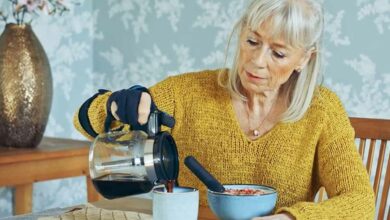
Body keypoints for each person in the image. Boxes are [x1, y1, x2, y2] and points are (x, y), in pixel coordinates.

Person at [74, 0, 375, 219]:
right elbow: (83, 119)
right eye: (252, 41)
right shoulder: (187, 92)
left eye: (278, 52)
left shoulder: (322, 110)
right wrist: (115, 104)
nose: (257, 60)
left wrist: (290, 219)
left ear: (304, 59)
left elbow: (360, 201)